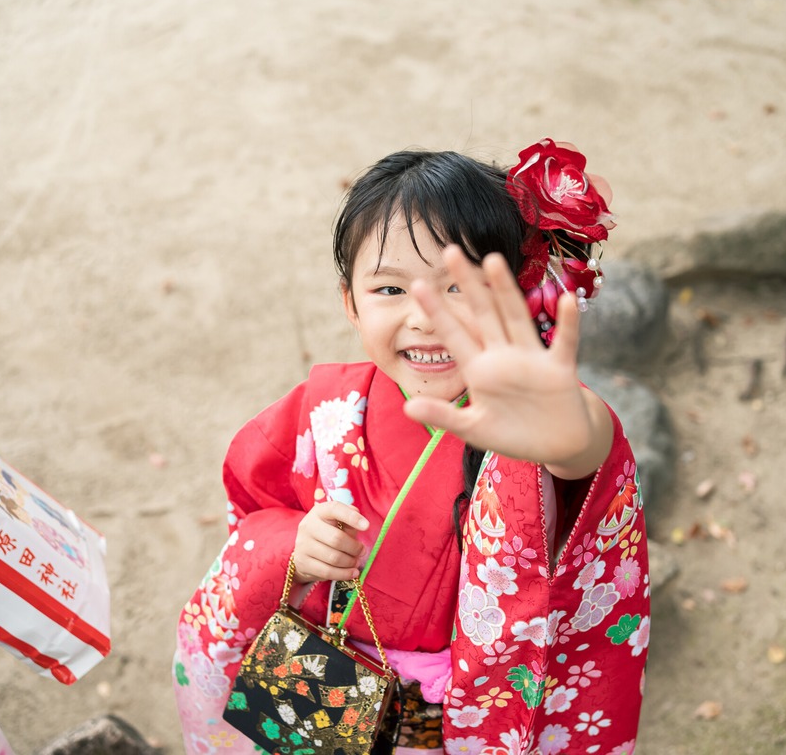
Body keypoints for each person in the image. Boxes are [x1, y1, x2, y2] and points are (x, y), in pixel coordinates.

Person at [173, 139, 649, 755]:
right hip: (326, 679)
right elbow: (253, 513)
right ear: (350, 302)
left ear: (518, 294)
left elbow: (583, 460)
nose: (424, 319)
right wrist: (295, 546)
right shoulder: (324, 412)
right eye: (390, 291)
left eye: (459, 288)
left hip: (456, 715)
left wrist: (574, 438)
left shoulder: (529, 425)